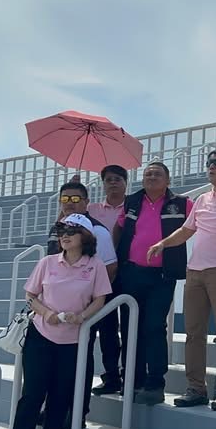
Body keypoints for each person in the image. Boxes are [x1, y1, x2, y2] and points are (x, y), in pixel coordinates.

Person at [147, 149, 216, 411]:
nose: (211, 167)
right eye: (209, 163)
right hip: (195, 272)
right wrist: (163, 243)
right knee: (193, 333)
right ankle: (196, 388)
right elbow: (187, 230)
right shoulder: (202, 199)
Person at [6, 214, 112, 429]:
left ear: (85, 237)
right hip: (41, 336)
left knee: (60, 398)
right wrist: (47, 313)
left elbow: (100, 299)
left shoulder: (95, 265)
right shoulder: (47, 262)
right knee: (32, 395)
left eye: (71, 231)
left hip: (73, 341)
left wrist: (82, 317)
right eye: (61, 230)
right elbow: (31, 295)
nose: (64, 235)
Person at [112, 162, 192, 406]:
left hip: (162, 276)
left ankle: (155, 383)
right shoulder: (131, 201)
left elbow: (198, 226)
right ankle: (131, 382)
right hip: (131, 274)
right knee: (129, 329)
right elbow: (119, 229)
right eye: (147, 174)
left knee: (154, 327)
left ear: (168, 180)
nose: (152, 177)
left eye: (157, 174)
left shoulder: (182, 204)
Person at [43, 182, 117, 428]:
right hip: (55, 314)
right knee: (53, 365)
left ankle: (76, 414)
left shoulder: (98, 232)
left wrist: (86, 304)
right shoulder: (57, 230)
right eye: (65, 199)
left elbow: (110, 269)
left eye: (75, 199)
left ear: (87, 202)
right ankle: (53, 411)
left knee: (79, 363)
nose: (70, 203)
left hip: (82, 313)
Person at [85, 166, 129, 396]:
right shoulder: (91, 209)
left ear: (126, 182)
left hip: (128, 272)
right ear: (102, 184)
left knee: (130, 327)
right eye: (108, 179)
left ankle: (130, 377)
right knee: (107, 329)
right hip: (100, 275)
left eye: (117, 179)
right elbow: (65, 224)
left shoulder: (133, 207)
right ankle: (111, 377)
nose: (113, 183)